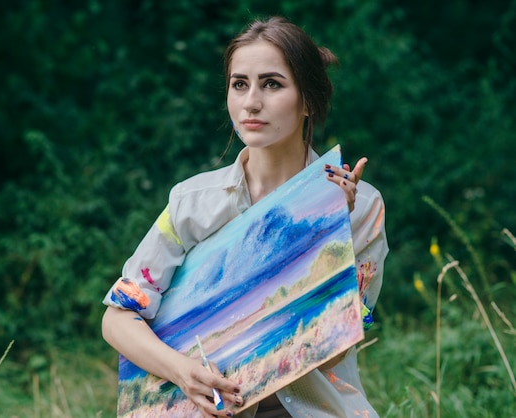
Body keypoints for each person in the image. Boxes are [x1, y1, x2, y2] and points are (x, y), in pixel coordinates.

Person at [102, 16, 388, 418]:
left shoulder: (360, 207)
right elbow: (118, 319)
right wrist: (185, 373)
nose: (251, 102)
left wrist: (323, 228)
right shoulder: (193, 202)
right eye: (240, 84)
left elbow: (330, 350)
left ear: (308, 100)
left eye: (272, 84)